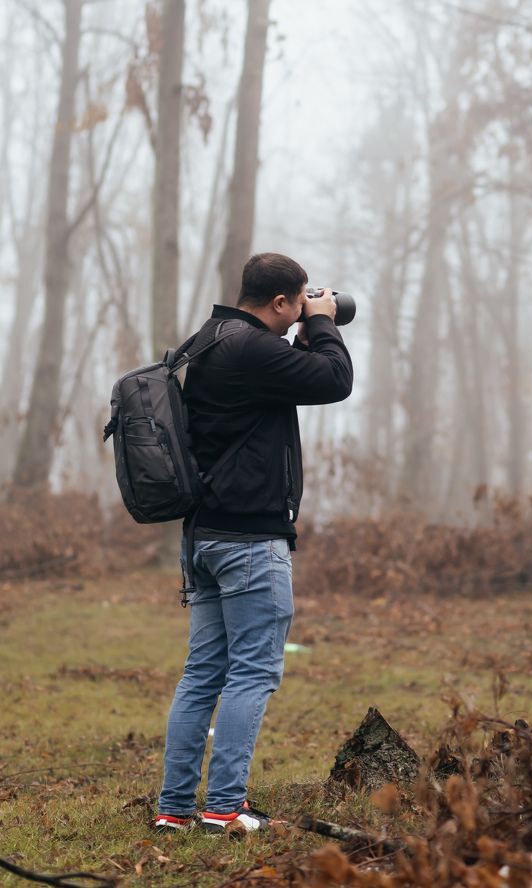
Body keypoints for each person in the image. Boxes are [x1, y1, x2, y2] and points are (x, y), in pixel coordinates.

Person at [155, 252, 353, 833]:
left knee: (202, 674)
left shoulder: (211, 339)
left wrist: (306, 330)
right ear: (281, 302)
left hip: (204, 535)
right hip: (249, 538)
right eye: (300, 301)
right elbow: (335, 380)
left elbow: (286, 377)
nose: (305, 310)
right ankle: (224, 807)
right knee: (252, 672)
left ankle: (174, 809)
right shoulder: (253, 349)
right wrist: (324, 323)